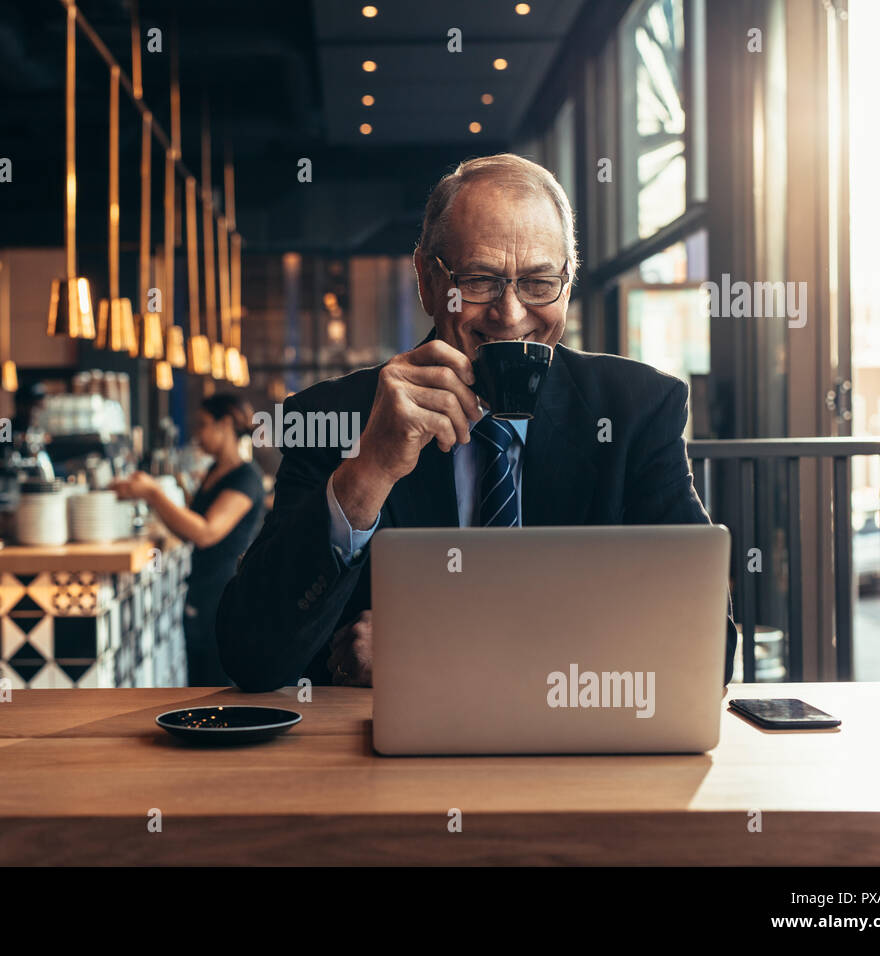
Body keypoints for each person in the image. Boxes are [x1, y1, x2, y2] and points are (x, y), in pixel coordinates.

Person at [215, 153, 738, 692]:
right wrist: (367, 472)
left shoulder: (637, 410)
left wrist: (435, 651)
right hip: (379, 768)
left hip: (577, 759)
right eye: (481, 281)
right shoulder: (336, 417)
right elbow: (252, 657)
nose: (510, 315)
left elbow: (706, 648)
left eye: (538, 282)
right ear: (425, 277)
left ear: (568, 279)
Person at [111, 394, 266, 686]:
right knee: (199, 680)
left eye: (203, 425)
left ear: (227, 424)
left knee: (218, 684)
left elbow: (206, 533)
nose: (197, 433)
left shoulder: (246, 477)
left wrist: (153, 493)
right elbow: (190, 529)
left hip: (226, 595)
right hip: (203, 591)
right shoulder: (214, 471)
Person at [0, 381, 55, 480]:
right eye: (30, 406)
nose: (34, 412)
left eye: (38, 407)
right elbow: (4, 468)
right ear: (18, 406)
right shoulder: (6, 431)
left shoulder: (38, 430)